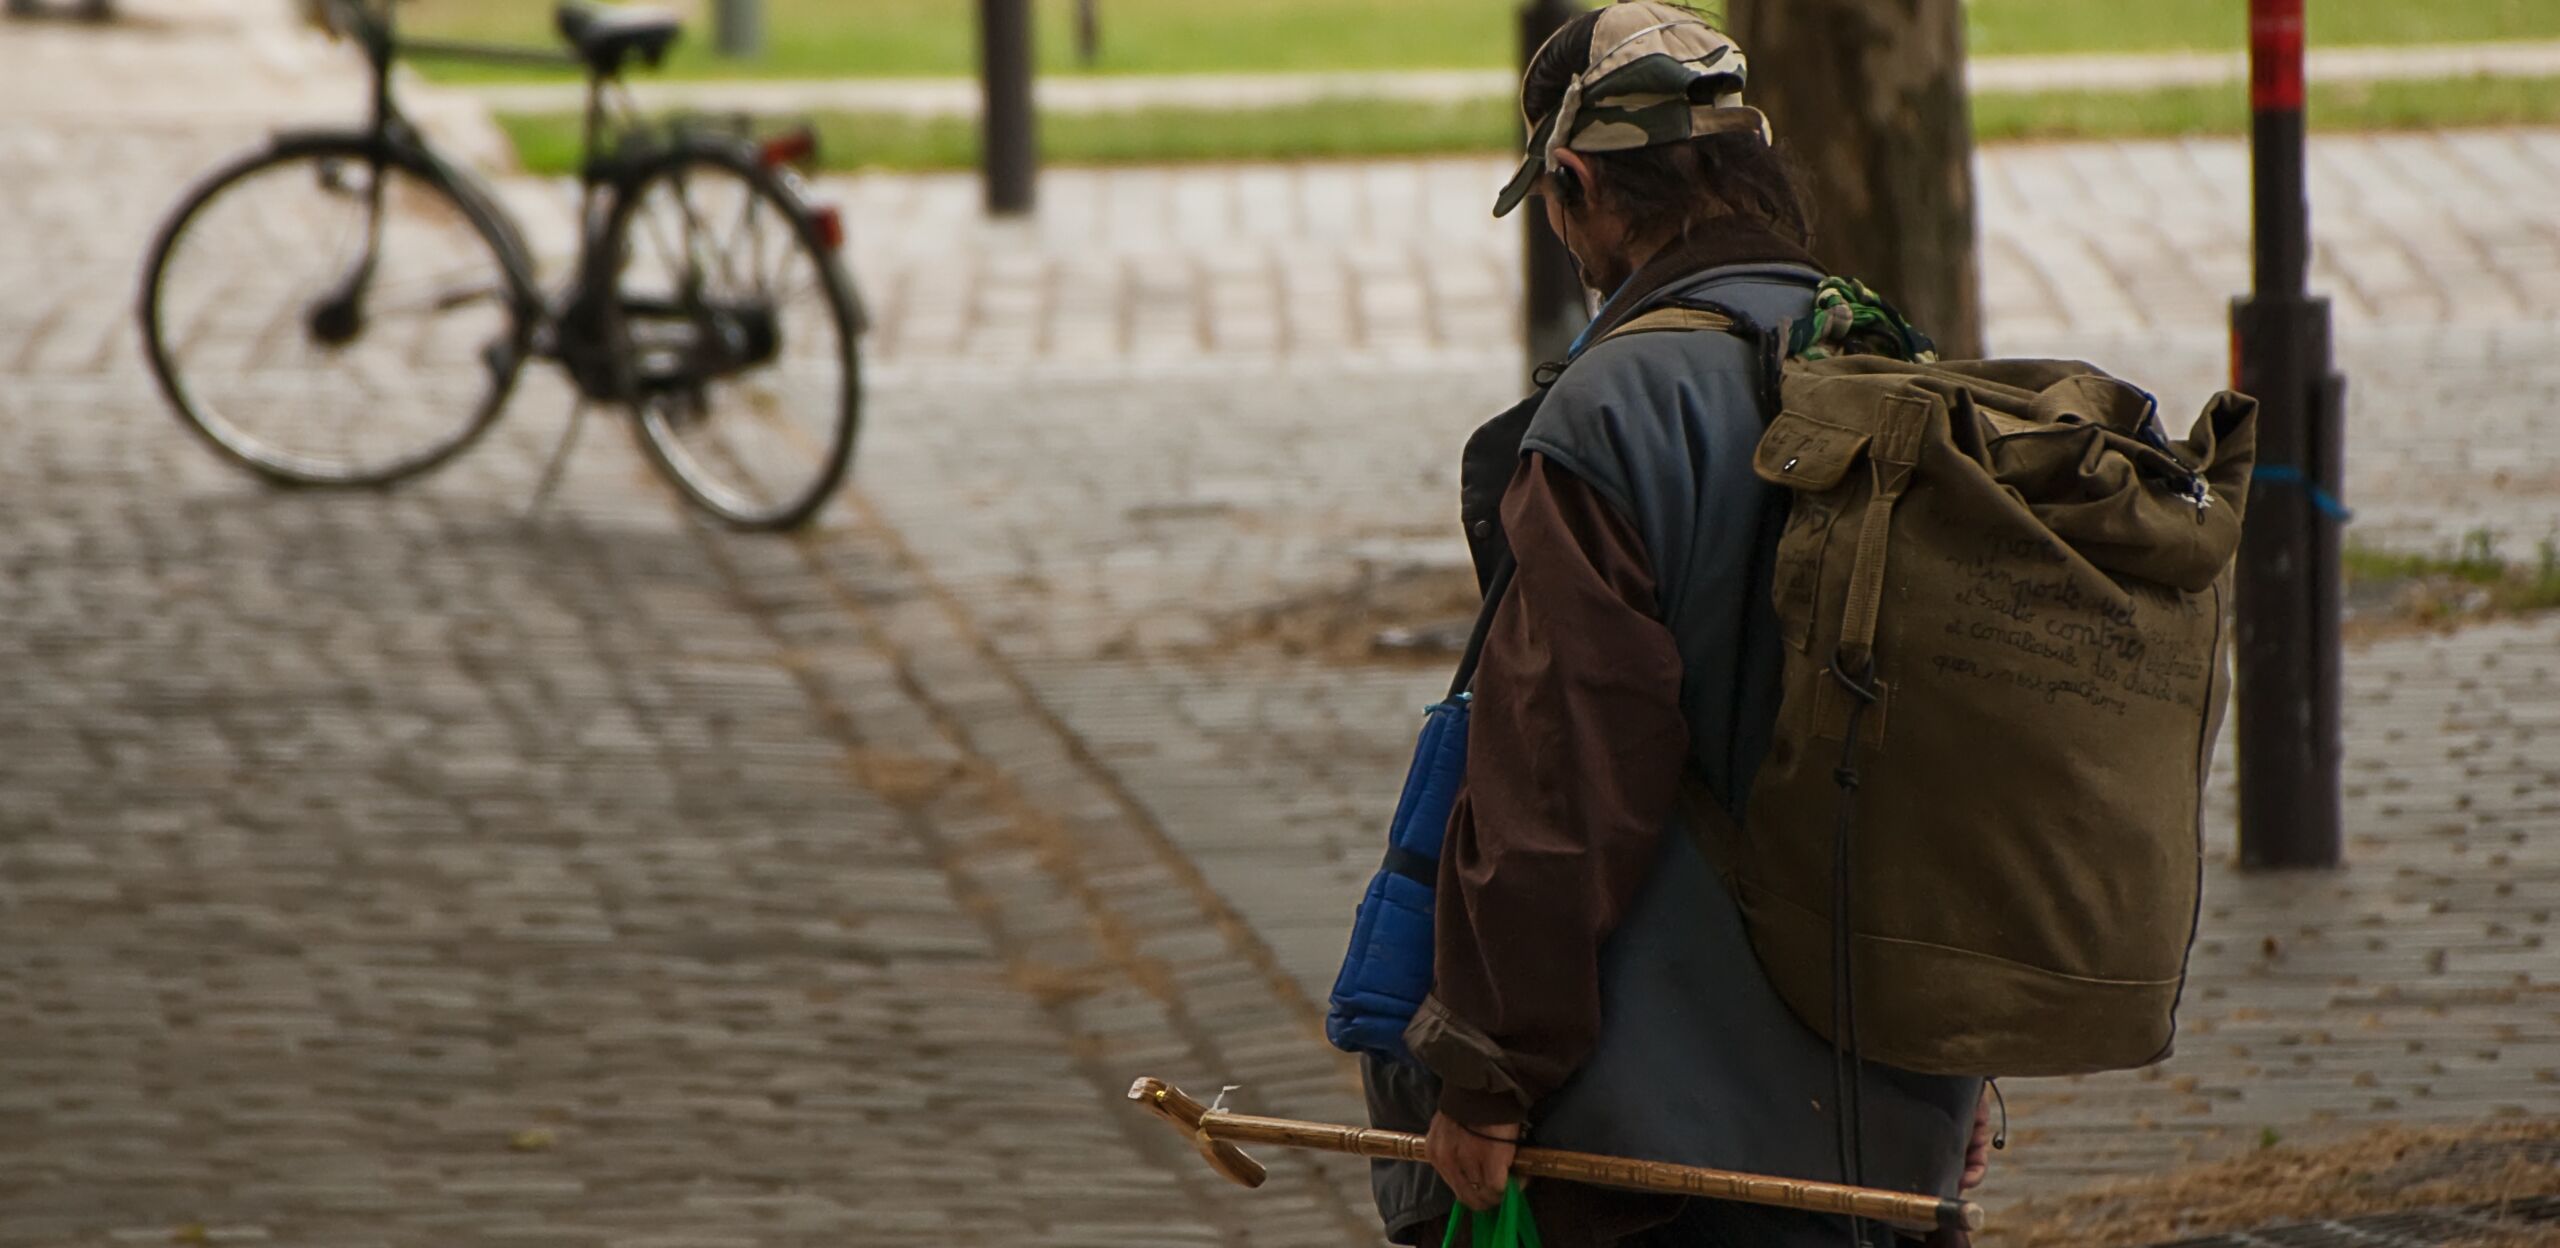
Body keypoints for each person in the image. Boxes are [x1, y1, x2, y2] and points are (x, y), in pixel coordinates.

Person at [1361, 5, 1992, 1245]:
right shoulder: (1894, 372)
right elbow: (1965, 755)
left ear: (1577, 180)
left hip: (1660, 1160)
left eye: (1553, 205)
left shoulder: (1610, 414)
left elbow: (1561, 773)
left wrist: (1488, 1072)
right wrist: (1968, 1066)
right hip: (1889, 1135)